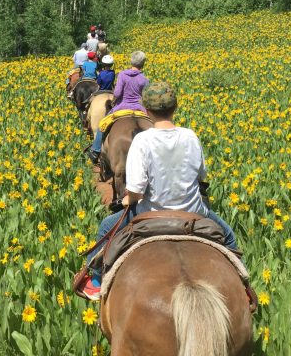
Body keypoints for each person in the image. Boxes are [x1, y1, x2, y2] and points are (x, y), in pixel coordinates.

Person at [79, 81, 241, 300]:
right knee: (229, 237)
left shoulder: (142, 140)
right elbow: (201, 176)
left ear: (146, 110)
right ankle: (243, 287)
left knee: (106, 226)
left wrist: (128, 200)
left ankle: (96, 281)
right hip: (194, 212)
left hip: (150, 212)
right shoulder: (190, 136)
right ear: (174, 108)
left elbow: (135, 190)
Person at [87, 51, 149, 164]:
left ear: (131, 61)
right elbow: (145, 97)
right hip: (139, 108)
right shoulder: (145, 79)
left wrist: (114, 101)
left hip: (122, 106)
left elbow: (117, 92)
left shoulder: (122, 74)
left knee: (103, 125)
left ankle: (95, 150)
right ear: (143, 63)